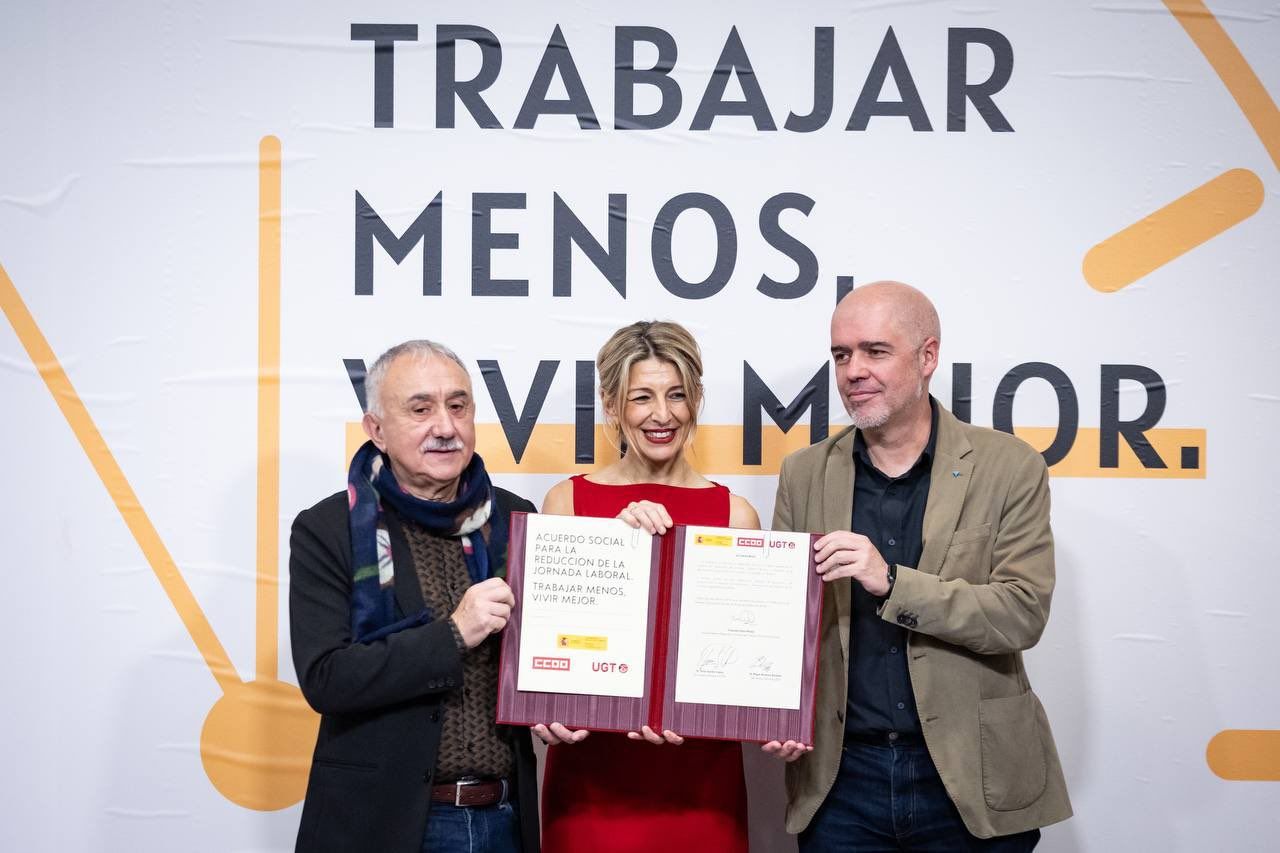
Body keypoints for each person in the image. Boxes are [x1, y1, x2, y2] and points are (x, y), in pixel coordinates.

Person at [765, 282, 1072, 850]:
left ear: (927, 356)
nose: (852, 370)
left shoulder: (1010, 466)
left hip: (970, 778)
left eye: (874, 351)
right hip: (840, 784)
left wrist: (891, 582)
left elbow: (1022, 614)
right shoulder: (804, 473)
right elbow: (786, 622)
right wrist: (778, 713)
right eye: (840, 355)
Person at [289, 340, 539, 853]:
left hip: (504, 820)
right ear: (376, 429)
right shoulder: (329, 528)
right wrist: (453, 634)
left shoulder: (517, 518)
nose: (445, 427)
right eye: (421, 409)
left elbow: (544, 652)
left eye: (458, 405)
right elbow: (327, 678)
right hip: (386, 824)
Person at [534, 320, 761, 853]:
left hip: (702, 785)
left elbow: (744, 666)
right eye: (642, 397)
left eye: (677, 394)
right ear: (611, 406)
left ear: (696, 400)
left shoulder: (736, 514)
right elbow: (549, 653)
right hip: (591, 787)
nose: (663, 415)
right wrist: (615, 546)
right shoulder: (566, 504)